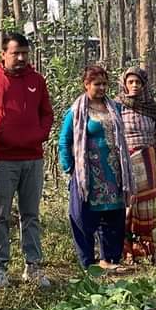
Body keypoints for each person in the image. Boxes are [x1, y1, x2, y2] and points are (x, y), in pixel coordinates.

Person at [0, 32, 54, 288]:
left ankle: (33, 266)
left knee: (31, 214)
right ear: (3, 54)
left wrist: (39, 135)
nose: (20, 58)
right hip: (3, 159)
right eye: (15, 53)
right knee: (1, 214)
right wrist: (2, 136)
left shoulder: (37, 80)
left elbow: (47, 114)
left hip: (33, 158)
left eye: (24, 54)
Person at [58, 65, 134, 269]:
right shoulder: (76, 111)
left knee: (114, 215)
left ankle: (109, 259)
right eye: (96, 84)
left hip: (114, 173)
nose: (101, 88)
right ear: (86, 85)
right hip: (88, 174)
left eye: (104, 84)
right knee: (83, 217)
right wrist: (69, 168)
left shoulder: (114, 108)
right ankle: (88, 262)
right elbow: (64, 141)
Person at [117, 67, 156, 264]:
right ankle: (126, 250)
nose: (134, 86)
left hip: (146, 158)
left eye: (138, 82)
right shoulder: (117, 106)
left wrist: (153, 146)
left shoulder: (152, 108)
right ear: (124, 84)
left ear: (144, 85)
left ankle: (145, 250)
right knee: (127, 204)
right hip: (124, 160)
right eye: (130, 82)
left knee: (145, 204)